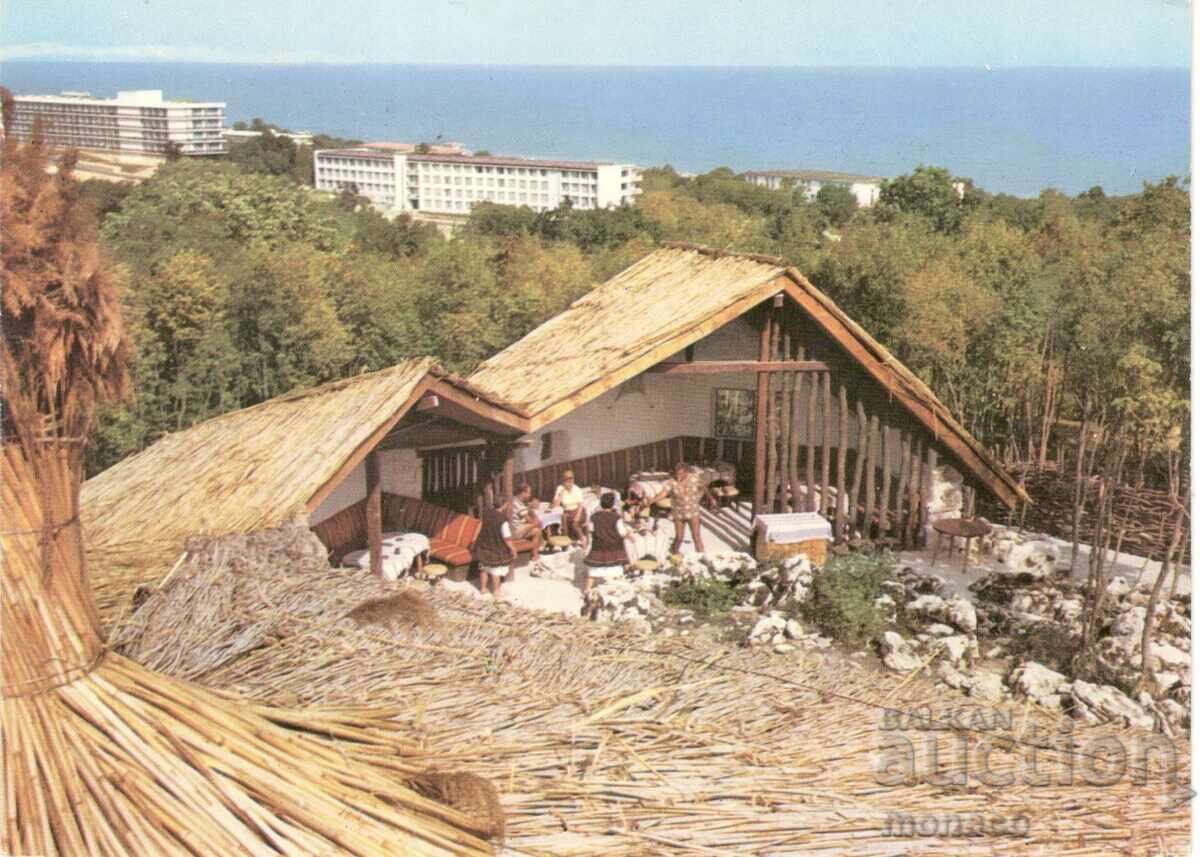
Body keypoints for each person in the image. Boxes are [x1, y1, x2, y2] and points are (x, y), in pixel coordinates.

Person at [649, 462, 706, 556]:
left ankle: (702, 557)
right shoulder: (671, 482)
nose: (678, 476)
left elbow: (703, 487)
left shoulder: (694, 478)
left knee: (696, 536)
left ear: (686, 473)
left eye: (680, 474)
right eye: (676, 473)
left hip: (693, 512)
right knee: (679, 537)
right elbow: (663, 493)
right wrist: (652, 501)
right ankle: (674, 553)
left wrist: (699, 497)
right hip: (678, 513)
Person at [583, 492, 635, 595]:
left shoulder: (594, 517)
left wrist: (588, 543)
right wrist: (630, 536)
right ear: (612, 504)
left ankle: (587, 590)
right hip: (613, 547)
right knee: (616, 571)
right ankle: (618, 589)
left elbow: (590, 530)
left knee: (593, 572)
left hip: (598, 546)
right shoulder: (616, 517)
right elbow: (622, 533)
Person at [474, 492, 517, 598]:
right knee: (495, 571)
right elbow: (506, 537)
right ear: (505, 505)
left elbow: (481, 528)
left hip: (483, 546)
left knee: (483, 568)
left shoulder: (486, 513)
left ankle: (483, 588)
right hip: (495, 548)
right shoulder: (503, 520)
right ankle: (496, 591)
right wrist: (513, 549)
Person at [552, 469, 587, 545]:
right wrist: (561, 494)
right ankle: (566, 541)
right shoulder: (560, 488)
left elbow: (580, 506)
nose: (569, 481)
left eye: (571, 478)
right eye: (567, 479)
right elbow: (555, 505)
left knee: (575, 523)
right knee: (563, 519)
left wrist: (577, 516)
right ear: (563, 480)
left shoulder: (577, 489)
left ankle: (583, 538)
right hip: (567, 512)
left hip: (578, 510)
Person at [509, 482, 545, 556]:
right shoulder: (518, 504)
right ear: (523, 493)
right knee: (537, 530)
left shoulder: (515, 500)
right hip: (516, 530)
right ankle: (535, 554)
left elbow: (525, 513)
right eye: (528, 493)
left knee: (537, 524)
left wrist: (529, 508)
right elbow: (530, 520)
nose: (530, 495)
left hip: (514, 527)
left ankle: (538, 546)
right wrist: (535, 518)